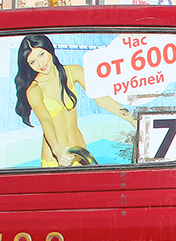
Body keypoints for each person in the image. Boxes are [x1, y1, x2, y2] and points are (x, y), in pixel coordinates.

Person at [13, 34, 136, 168]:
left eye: (41, 54)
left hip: (80, 152)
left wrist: (131, 119)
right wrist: (57, 149)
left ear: (49, 50)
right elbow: (46, 120)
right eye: (33, 62)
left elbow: (101, 99)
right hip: (57, 156)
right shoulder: (34, 90)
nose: (40, 63)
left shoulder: (74, 72)